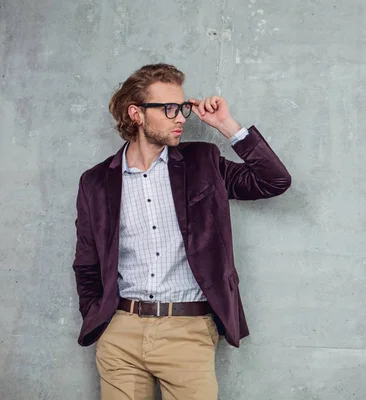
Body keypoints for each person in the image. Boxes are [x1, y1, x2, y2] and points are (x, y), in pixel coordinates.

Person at [72, 63, 291, 399]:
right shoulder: (96, 182)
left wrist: (226, 126)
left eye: (183, 108)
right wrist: (99, 319)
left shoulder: (203, 162)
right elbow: (86, 263)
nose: (181, 118)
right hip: (121, 333)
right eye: (170, 108)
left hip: (187, 331)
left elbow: (273, 181)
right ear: (137, 114)